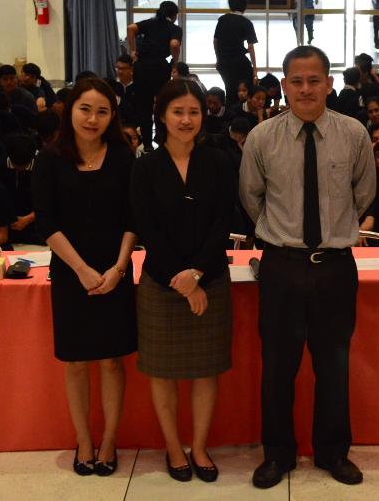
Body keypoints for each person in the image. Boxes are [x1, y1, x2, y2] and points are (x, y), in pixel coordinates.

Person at [239, 46, 376, 489]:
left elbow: (363, 193)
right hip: (282, 265)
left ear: (329, 84)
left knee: (334, 365)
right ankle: (277, 455)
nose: (305, 89)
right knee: (277, 367)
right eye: (296, 81)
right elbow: (251, 197)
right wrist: (284, 233)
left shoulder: (353, 134)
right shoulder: (262, 138)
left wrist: (335, 228)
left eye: (314, 80)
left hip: (335, 267)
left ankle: (333, 452)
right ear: (284, 86)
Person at [130, 79, 236, 483]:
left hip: (210, 278)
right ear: (162, 115)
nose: (186, 120)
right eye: (178, 112)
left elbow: (224, 221)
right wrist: (181, 278)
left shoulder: (219, 161)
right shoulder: (146, 166)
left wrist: (197, 274)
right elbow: (147, 227)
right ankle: (174, 448)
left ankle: (200, 447)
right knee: (163, 372)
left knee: (207, 370)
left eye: (194, 112)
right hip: (161, 282)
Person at [31, 77, 138, 477]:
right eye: (85, 109)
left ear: (112, 116)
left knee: (111, 361)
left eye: (102, 112)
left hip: (115, 271)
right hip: (69, 272)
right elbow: (47, 223)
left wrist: (118, 269)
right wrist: (81, 269)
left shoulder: (124, 157)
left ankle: (109, 440)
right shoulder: (49, 159)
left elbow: (133, 218)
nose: (93, 119)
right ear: (70, 110)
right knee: (75, 362)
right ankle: (84, 440)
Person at [127, 1, 183, 151]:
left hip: (141, 67)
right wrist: (175, 61)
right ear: (174, 15)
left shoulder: (150, 23)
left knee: (144, 107)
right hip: (160, 68)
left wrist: (133, 51)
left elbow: (131, 28)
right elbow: (174, 44)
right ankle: (161, 140)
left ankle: (147, 144)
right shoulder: (175, 29)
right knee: (161, 104)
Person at [214, 0, 259, 110]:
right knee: (246, 91)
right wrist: (254, 69)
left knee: (229, 89)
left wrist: (218, 59)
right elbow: (250, 47)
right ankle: (243, 113)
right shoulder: (246, 22)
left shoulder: (222, 20)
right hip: (239, 62)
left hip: (224, 62)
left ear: (230, 5)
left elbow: (215, 41)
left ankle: (229, 114)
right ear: (245, 6)